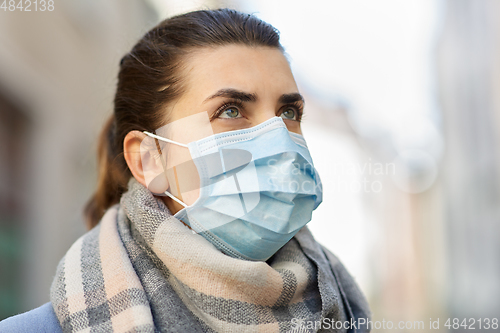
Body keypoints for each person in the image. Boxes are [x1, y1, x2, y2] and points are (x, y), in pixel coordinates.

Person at [0, 8, 371, 332]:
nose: (279, 139)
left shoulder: (344, 313)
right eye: (230, 110)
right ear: (149, 160)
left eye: (288, 113)